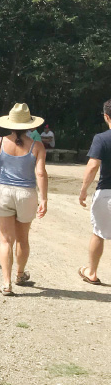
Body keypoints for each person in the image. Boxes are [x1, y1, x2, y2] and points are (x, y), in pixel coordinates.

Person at [0, 103, 48, 296]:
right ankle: (20, 274)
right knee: (23, 239)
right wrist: (43, 198)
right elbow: (41, 173)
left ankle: (6, 283)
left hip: (1, 192)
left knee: (5, 240)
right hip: (26, 194)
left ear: (9, 124)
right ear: (29, 125)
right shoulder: (37, 146)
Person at [77, 99, 111, 285]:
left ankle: (92, 272)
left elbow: (92, 166)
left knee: (99, 233)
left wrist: (83, 190)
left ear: (106, 116)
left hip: (107, 193)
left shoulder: (102, 138)